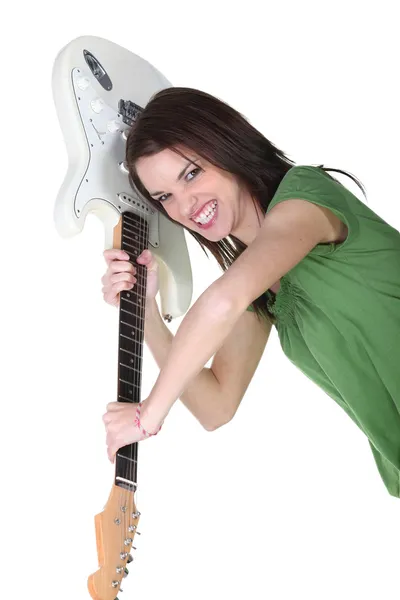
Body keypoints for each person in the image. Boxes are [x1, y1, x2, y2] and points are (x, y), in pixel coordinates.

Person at [101, 87, 400, 499]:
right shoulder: (258, 289)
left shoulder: (306, 198)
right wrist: (145, 312)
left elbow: (224, 301)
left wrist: (146, 415)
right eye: (165, 197)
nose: (186, 205)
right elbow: (215, 407)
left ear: (226, 146)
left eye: (192, 173)